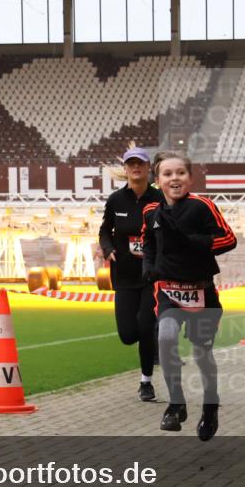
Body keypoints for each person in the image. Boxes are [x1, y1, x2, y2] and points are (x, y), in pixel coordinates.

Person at [142, 152, 237, 440]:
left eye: (180, 173)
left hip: (201, 293)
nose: (174, 179)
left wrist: (190, 241)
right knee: (166, 337)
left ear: (190, 178)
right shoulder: (151, 212)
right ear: (157, 181)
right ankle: (176, 404)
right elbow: (147, 242)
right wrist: (149, 267)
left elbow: (228, 239)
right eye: (167, 174)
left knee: (202, 354)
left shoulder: (202, 206)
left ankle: (210, 407)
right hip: (168, 291)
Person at [98, 146, 165, 401]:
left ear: (149, 169)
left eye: (140, 164)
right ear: (125, 169)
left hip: (151, 276)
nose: (136, 168)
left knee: (146, 327)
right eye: (131, 164)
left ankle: (146, 382)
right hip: (124, 275)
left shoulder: (160, 199)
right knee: (128, 335)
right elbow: (105, 231)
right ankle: (149, 334)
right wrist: (108, 249)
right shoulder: (116, 200)